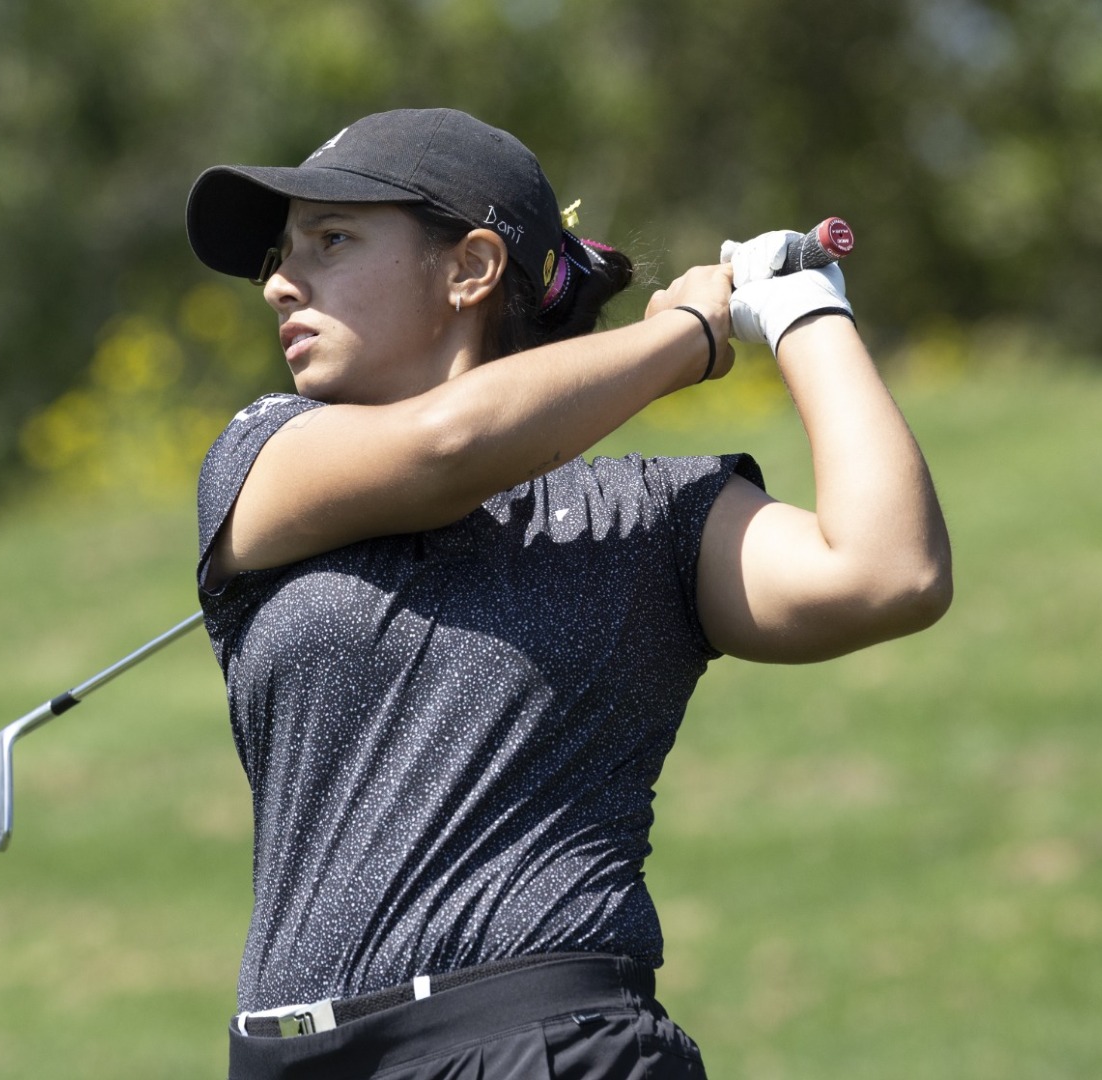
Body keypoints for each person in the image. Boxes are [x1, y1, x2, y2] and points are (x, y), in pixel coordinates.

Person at [185, 108, 951, 1079]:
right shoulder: (260, 457)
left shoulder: (651, 515)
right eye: (280, 256)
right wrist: (686, 339)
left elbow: (890, 572)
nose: (281, 283)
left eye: (330, 241)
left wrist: (804, 309)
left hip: (552, 1050)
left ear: (469, 268)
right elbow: (447, 446)